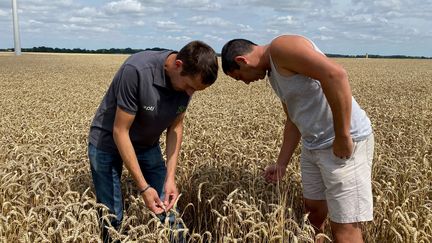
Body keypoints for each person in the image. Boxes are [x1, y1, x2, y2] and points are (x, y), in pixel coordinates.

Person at [221, 35, 374, 243]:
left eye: (239, 77)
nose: (246, 83)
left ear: (242, 60)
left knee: (345, 227)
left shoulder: (281, 48)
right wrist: (281, 164)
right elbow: (293, 120)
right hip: (313, 145)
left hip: (344, 143)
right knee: (312, 211)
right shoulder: (273, 75)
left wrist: (343, 135)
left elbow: (336, 75)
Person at [88, 40, 218, 242]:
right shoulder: (137, 70)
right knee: (112, 214)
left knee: (168, 208)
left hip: (147, 144)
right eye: (190, 86)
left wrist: (170, 178)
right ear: (178, 65)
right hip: (107, 144)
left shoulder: (186, 83)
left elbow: (176, 126)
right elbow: (120, 131)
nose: (190, 94)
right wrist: (144, 188)